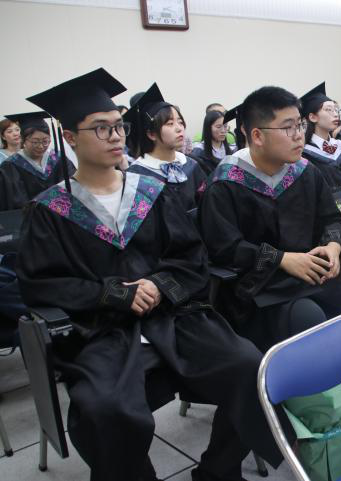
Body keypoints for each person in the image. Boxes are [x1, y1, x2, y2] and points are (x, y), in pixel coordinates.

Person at [19, 67, 289, 481]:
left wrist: (158, 284)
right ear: (70, 138)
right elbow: (41, 283)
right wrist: (113, 293)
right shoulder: (49, 209)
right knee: (103, 408)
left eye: (118, 126)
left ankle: (218, 472)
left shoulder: (150, 192)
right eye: (101, 128)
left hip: (173, 317)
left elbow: (191, 257)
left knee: (250, 366)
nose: (115, 136)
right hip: (103, 330)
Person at [198, 85, 341, 431]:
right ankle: (320, 413)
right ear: (257, 135)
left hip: (314, 268)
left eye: (300, 124)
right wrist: (281, 259)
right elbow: (223, 248)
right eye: (288, 127)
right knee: (308, 318)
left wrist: (333, 246)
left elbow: (330, 220)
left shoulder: (304, 171)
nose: (299, 135)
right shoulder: (226, 181)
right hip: (261, 285)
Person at [124, 83, 206, 211]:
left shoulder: (191, 165)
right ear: (151, 134)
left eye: (180, 122)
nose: (179, 128)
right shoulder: (137, 176)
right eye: (170, 123)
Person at [0, 111, 75, 210]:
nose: (41, 146)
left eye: (45, 141)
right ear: (23, 139)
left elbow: (73, 187)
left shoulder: (59, 159)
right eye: (35, 142)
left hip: (62, 214)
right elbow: (15, 201)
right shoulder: (11, 166)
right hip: (30, 217)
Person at [300, 82, 341, 191]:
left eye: (336, 110)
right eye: (328, 110)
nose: (336, 114)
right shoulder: (305, 156)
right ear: (313, 117)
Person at [191, 110, 234, 175]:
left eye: (225, 126)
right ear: (208, 128)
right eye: (218, 127)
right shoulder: (199, 152)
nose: (223, 131)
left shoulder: (231, 150)